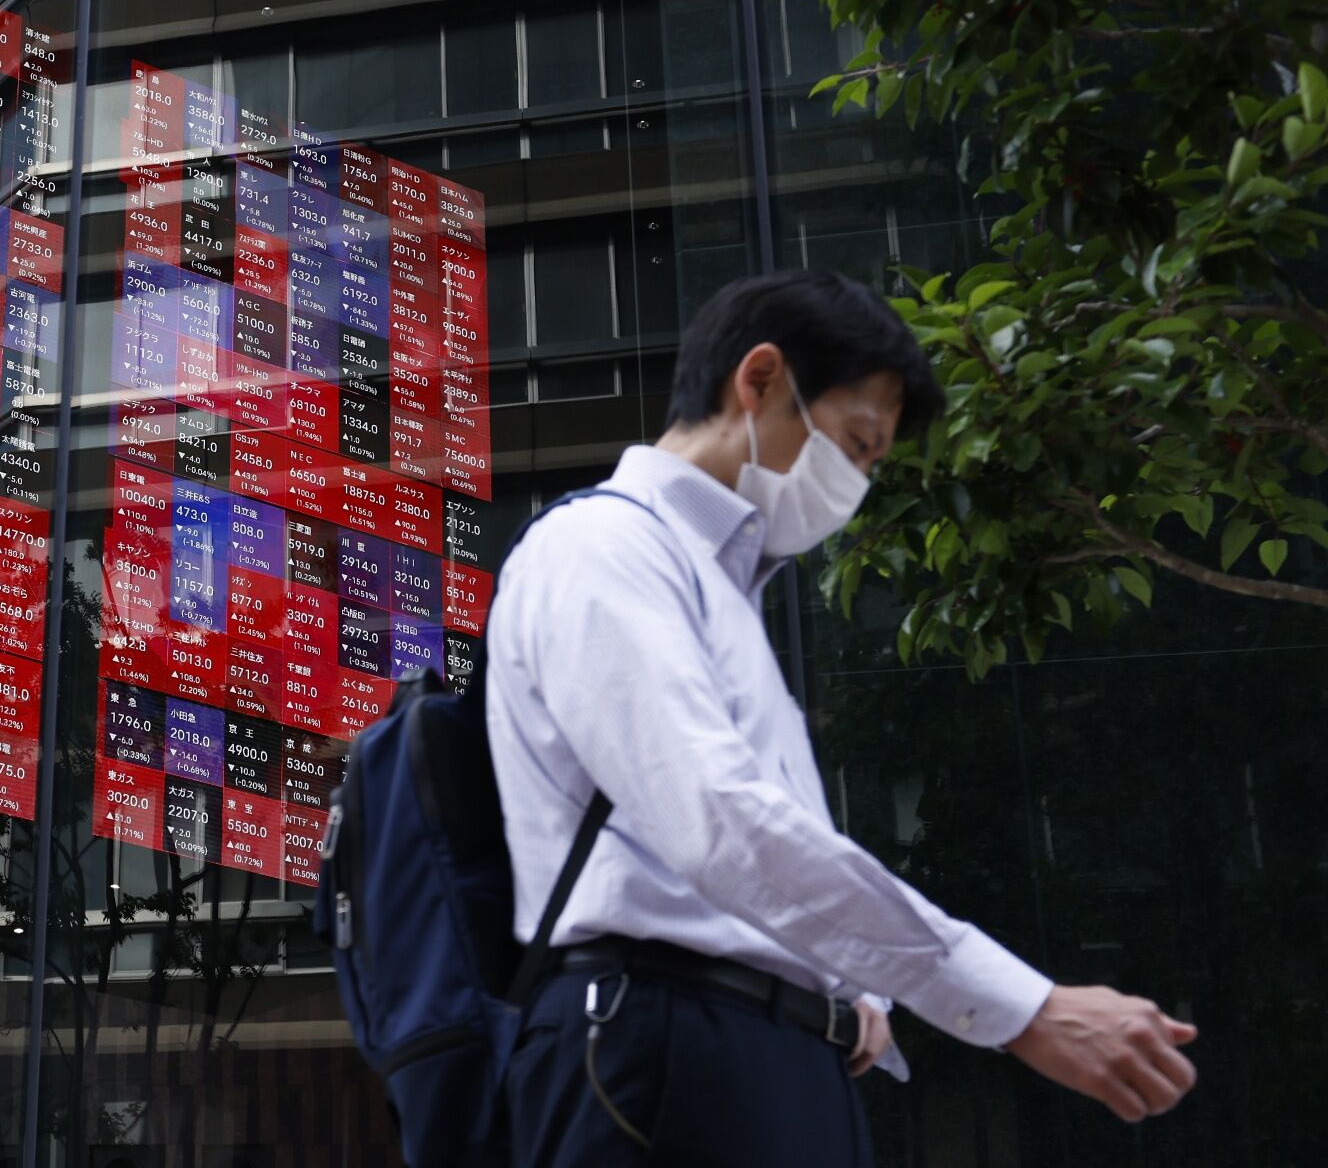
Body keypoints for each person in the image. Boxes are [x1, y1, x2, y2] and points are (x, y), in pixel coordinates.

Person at [486, 271, 1198, 1167]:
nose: (855, 484)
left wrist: (846, 989)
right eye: (857, 446)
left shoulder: (722, 588)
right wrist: (1021, 1007)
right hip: (662, 1040)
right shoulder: (599, 547)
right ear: (760, 379)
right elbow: (720, 819)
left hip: (755, 1049)